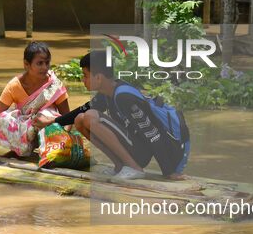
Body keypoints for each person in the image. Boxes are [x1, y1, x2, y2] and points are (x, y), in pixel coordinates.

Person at [33, 51, 190, 180]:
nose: (83, 80)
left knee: (90, 117)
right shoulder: (106, 94)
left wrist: (169, 171)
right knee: (80, 120)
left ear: (99, 78)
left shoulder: (124, 97)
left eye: (86, 75)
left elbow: (152, 133)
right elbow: (81, 110)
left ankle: (134, 168)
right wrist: (53, 121)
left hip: (146, 151)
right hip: (135, 146)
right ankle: (120, 166)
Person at [0, 41, 70, 162]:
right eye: (39, 63)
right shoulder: (14, 86)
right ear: (26, 64)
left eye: (47, 63)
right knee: (3, 118)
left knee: (45, 114)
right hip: (28, 132)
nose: (45, 67)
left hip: (49, 131)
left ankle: (45, 151)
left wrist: (63, 140)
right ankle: (21, 151)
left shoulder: (54, 85)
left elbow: (67, 118)